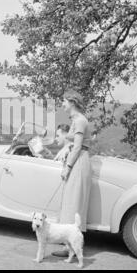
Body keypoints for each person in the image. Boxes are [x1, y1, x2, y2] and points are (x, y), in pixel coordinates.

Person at [53, 89, 92, 257]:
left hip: (78, 162)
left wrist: (67, 167)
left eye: (64, 101)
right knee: (70, 202)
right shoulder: (76, 120)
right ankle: (69, 246)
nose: (62, 104)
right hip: (76, 160)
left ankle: (72, 247)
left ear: (72, 102)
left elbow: (77, 146)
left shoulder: (80, 120)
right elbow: (72, 142)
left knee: (73, 203)